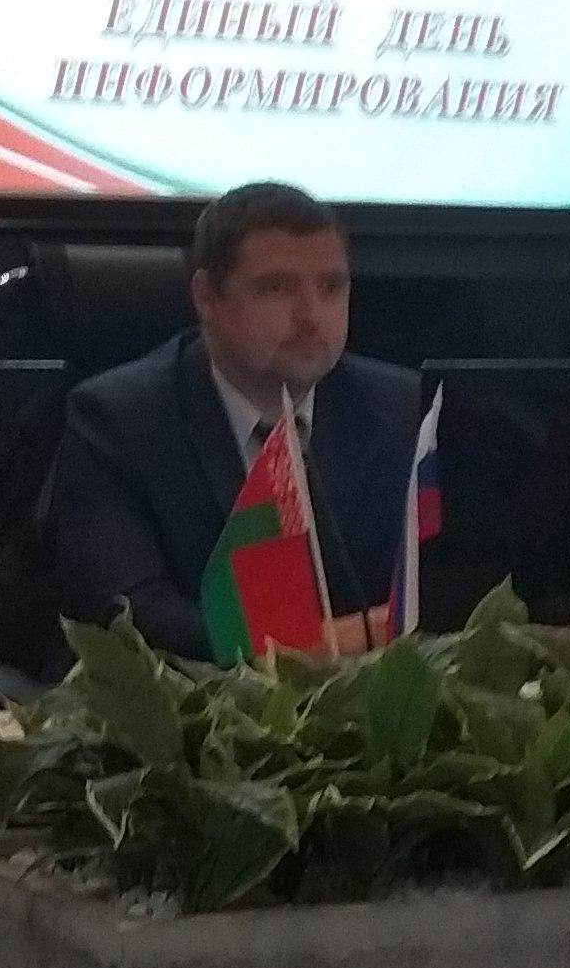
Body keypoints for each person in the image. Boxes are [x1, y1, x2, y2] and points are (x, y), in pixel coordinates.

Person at [55, 182, 424, 659]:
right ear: (207, 297)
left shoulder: (400, 409)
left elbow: (453, 585)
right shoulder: (118, 421)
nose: (311, 316)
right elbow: (135, 622)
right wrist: (349, 640)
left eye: (331, 287)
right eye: (276, 288)